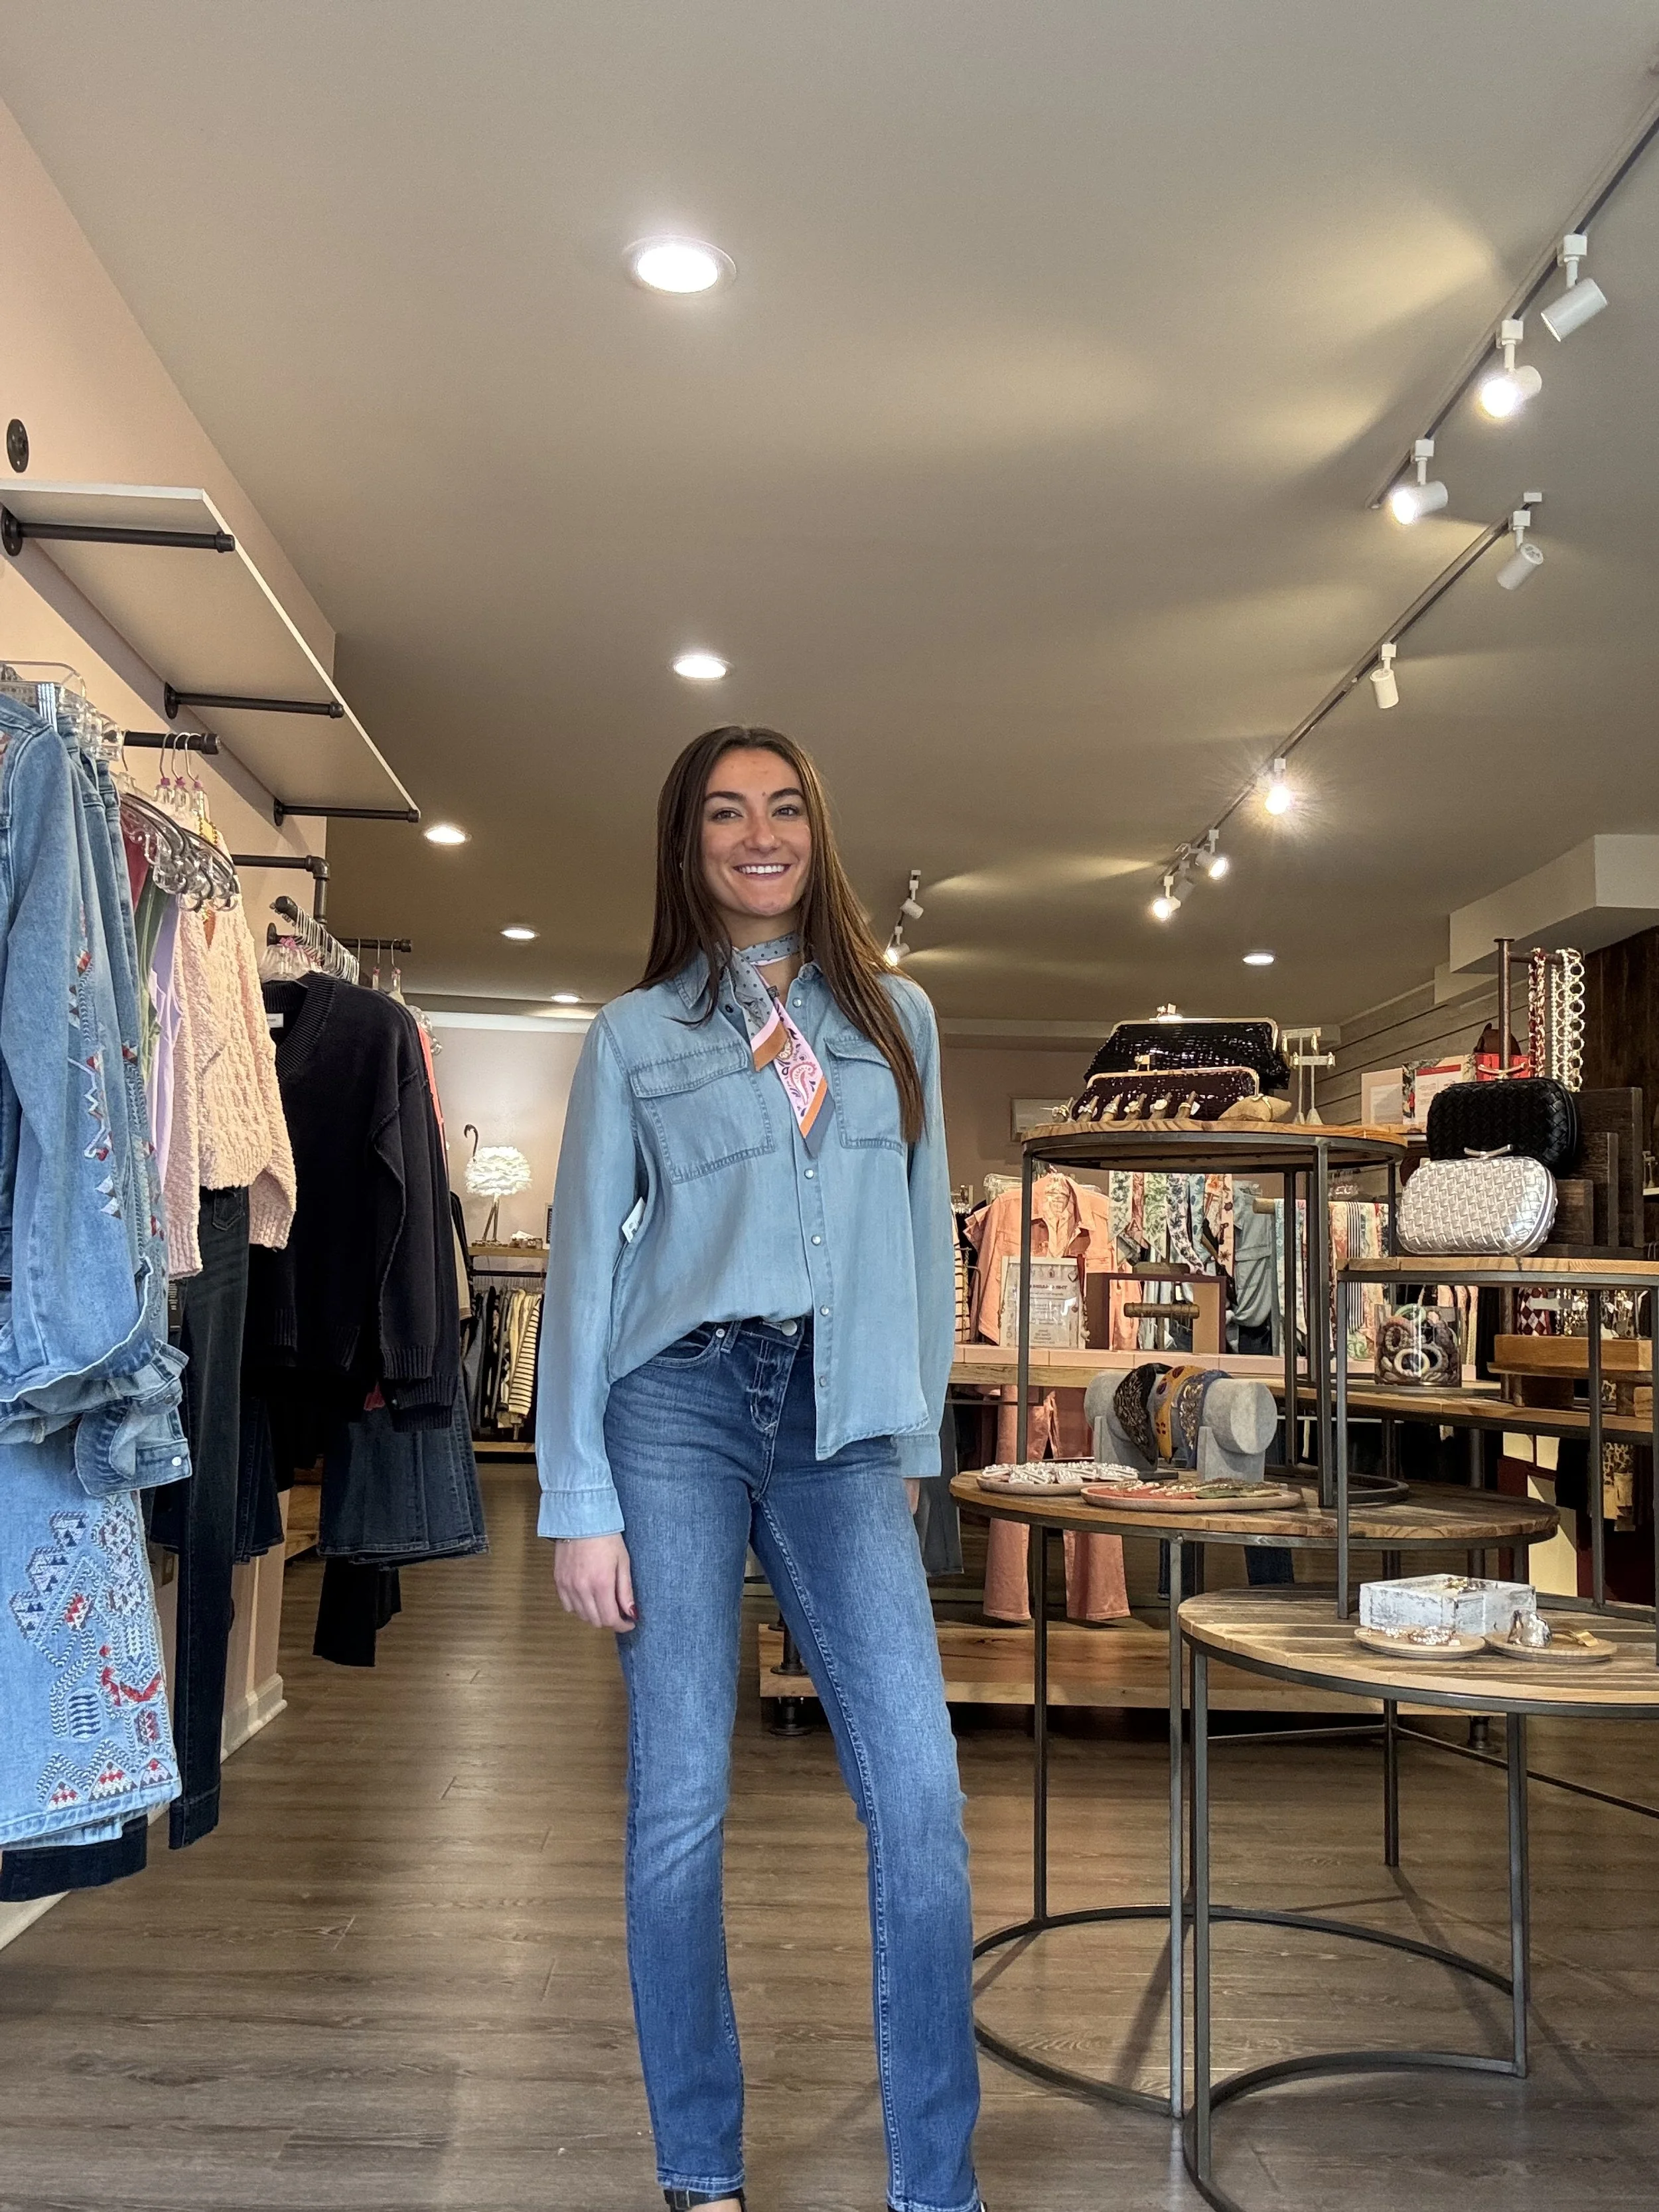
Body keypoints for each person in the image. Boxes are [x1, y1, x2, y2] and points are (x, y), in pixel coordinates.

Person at [537, 725, 982, 2212]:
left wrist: (908, 1434)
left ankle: (938, 2184)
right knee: (679, 1802)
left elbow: (920, 1240)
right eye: (726, 812)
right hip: (671, 1405)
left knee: (918, 1797)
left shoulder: (897, 1020)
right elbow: (584, 1266)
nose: (759, 834)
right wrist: (578, 1499)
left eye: (783, 808)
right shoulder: (635, 1036)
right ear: (690, 843)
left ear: (816, 830)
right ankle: (700, 2171)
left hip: (840, 1418)